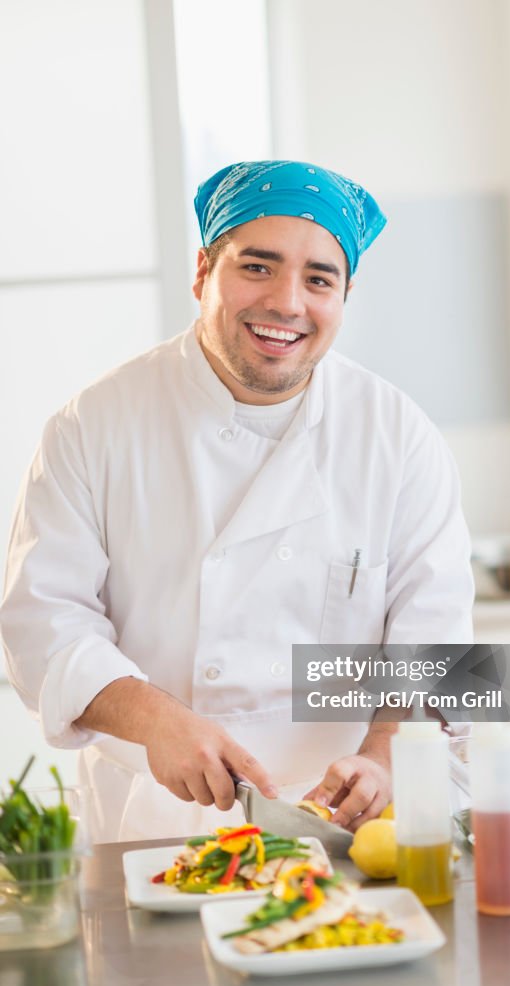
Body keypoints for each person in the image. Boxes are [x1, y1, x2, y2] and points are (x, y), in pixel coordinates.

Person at [0, 160, 474, 843]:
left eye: (319, 279)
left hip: (348, 822)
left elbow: (434, 636)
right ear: (202, 272)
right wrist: (156, 720)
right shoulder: (95, 425)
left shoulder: (396, 436)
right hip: (158, 823)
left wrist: (386, 755)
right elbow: (43, 623)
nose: (287, 303)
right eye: (257, 266)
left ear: (343, 298)